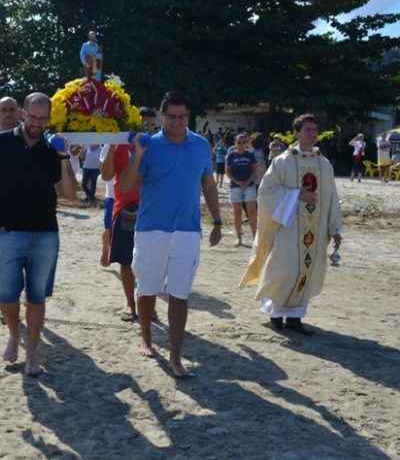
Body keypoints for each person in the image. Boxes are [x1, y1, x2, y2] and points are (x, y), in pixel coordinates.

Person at [0, 92, 77, 376]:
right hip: (9, 230)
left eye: (43, 118)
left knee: (36, 297)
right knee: (6, 295)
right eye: (32, 116)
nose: (37, 123)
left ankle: (33, 352)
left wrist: (64, 156)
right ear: (22, 113)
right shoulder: (1, 143)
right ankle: (14, 336)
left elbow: (69, 194)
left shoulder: (53, 148)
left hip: (45, 233)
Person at [120, 91, 222, 377]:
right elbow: (127, 185)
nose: (177, 122)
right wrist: (137, 155)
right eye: (172, 116)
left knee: (180, 293)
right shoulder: (148, 145)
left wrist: (217, 220)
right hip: (151, 230)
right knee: (148, 288)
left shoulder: (201, 145)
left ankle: (176, 356)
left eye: (182, 117)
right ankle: (146, 337)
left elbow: (208, 184)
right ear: (162, 116)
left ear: (188, 117)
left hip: (188, 232)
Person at [240, 113, 342, 335]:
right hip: (287, 227)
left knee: (307, 269)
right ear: (296, 133)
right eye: (307, 129)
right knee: (284, 268)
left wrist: (335, 228)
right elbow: (266, 192)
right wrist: (296, 195)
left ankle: (295, 317)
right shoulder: (282, 162)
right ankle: (276, 314)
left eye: (314, 130)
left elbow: (332, 196)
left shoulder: (324, 164)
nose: (312, 134)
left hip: (315, 229)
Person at [100, 107, 158, 322]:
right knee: (126, 261)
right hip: (125, 208)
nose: (148, 128)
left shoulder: (158, 145)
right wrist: (114, 148)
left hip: (154, 209)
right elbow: (106, 175)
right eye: (144, 123)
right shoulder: (118, 142)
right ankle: (130, 304)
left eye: (151, 125)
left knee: (150, 262)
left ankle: (148, 306)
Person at [226, 133, 258, 247]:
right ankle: (239, 239)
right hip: (235, 186)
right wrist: (237, 182)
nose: (241, 144)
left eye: (244, 142)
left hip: (249, 186)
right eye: (239, 142)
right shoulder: (231, 155)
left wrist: (247, 182)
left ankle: (255, 239)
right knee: (237, 213)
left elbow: (255, 170)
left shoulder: (250, 155)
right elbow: (227, 171)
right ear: (235, 143)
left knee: (252, 214)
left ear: (247, 143)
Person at [99, 145, 115, 268]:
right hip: (112, 195)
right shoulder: (108, 145)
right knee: (108, 228)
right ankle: (106, 250)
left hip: (131, 195)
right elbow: (102, 168)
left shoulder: (136, 143)